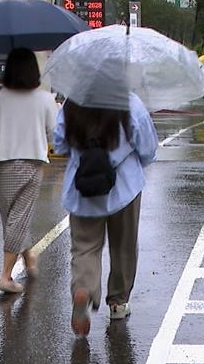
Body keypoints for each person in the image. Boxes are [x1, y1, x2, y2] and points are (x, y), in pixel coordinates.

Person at [53, 92, 158, 336]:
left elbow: (59, 143)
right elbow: (147, 147)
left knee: (84, 246)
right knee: (124, 246)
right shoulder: (130, 101)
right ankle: (118, 303)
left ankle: (83, 289)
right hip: (124, 185)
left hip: (83, 185)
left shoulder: (73, 102)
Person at [0, 48, 59, 294]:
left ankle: (28, 258)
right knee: (19, 218)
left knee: (11, 218)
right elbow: (55, 133)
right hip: (30, 164)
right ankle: (5, 277)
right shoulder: (45, 99)